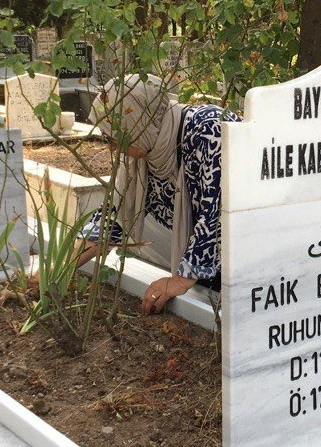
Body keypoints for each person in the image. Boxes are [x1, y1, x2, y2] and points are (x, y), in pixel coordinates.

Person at [83, 75, 239, 314]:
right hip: (208, 264)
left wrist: (180, 280)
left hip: (254, 259)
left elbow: (221, 214)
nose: (112, 147)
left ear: (139, 122)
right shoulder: (146, 152)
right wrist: (63, 262)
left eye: (116, 136)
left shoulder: (209, 130)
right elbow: (116, 212)